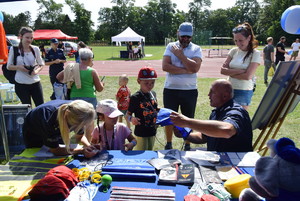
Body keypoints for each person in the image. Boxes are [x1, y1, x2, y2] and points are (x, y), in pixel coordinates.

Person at [170, 79, 253, 152]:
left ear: (225, 96)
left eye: (212, 92)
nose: (208, 95)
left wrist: (186, 122)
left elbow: (227, 130)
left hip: (236, 165)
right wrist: (185, 134)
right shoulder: (217, 111)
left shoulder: (236, 112)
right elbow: (204, 137)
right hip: (219, 161)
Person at [162, 22, 202, 151]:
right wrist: (187, 69)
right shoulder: (170, 46)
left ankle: (188, 143)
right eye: (183, 36)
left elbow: (195, 67)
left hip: (189, 90)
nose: (185, 39)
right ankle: (169, 143)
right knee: (169, 117)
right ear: (178, 33)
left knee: (188, 118)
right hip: (171, 89)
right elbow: (165, 66)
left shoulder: (196, 49)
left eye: (188, 37)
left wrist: (180, 56)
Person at [22, 99, 98, 158]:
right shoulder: (48, 117)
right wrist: (81, 151)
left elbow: (79, 136)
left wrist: (89, 146)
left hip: (54, 129)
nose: (82, 126)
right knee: (39, 160)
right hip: (35, 135)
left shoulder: (79, 111)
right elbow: (56, 150)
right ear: (72, 121)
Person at [221, 22, 260, 111]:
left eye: (241, 40)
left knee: (238, 120)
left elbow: (247, 76)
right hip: (228, 89)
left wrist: (230, 72)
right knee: (224, 118)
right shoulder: (233, 51)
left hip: (243, 91)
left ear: (249, 38)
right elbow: (222, 71)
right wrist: (239, 71)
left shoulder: (255, 53)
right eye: (235, 41)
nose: (238, 43)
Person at [7, 27, 44, 107]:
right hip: (21, 84)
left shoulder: (35, 49)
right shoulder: (14, 49)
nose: (29, 40)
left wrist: (36, 71)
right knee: (27, 108)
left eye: (31, 38)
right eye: (27, 37)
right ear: (20, 36)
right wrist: (19, 67)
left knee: (40, 106)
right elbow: (9, 66)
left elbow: (41, 64)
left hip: (35, 82)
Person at [126, 66, 158, 150]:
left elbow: (155, 108)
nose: (149, 86)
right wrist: (132, 119)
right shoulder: (135, 97)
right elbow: (127, 115)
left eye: (152, 83)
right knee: (142, 154)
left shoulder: (153, 94)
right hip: (141, 132)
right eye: (146, 83)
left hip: (152, 131)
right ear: (139, 81)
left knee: (150, 152)